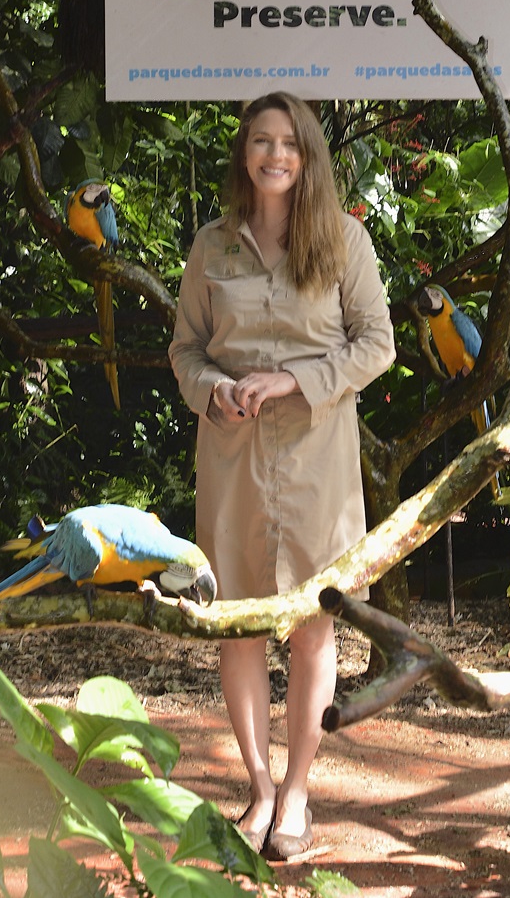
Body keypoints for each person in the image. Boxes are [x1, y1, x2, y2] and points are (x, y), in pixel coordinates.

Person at [168, 91, 396, 860]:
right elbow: (186, 350)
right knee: (236, 627)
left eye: (288, 142)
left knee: (311, 627)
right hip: (231, 464)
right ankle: (258, 789)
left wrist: (294, 380)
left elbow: (377, 345)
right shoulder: (210, 247)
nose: (274, 154)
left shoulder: (344, 242)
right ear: (244, 154)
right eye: (261, 141)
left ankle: (298, 792)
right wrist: (215, 389)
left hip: (316, 469)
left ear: (308, 156)